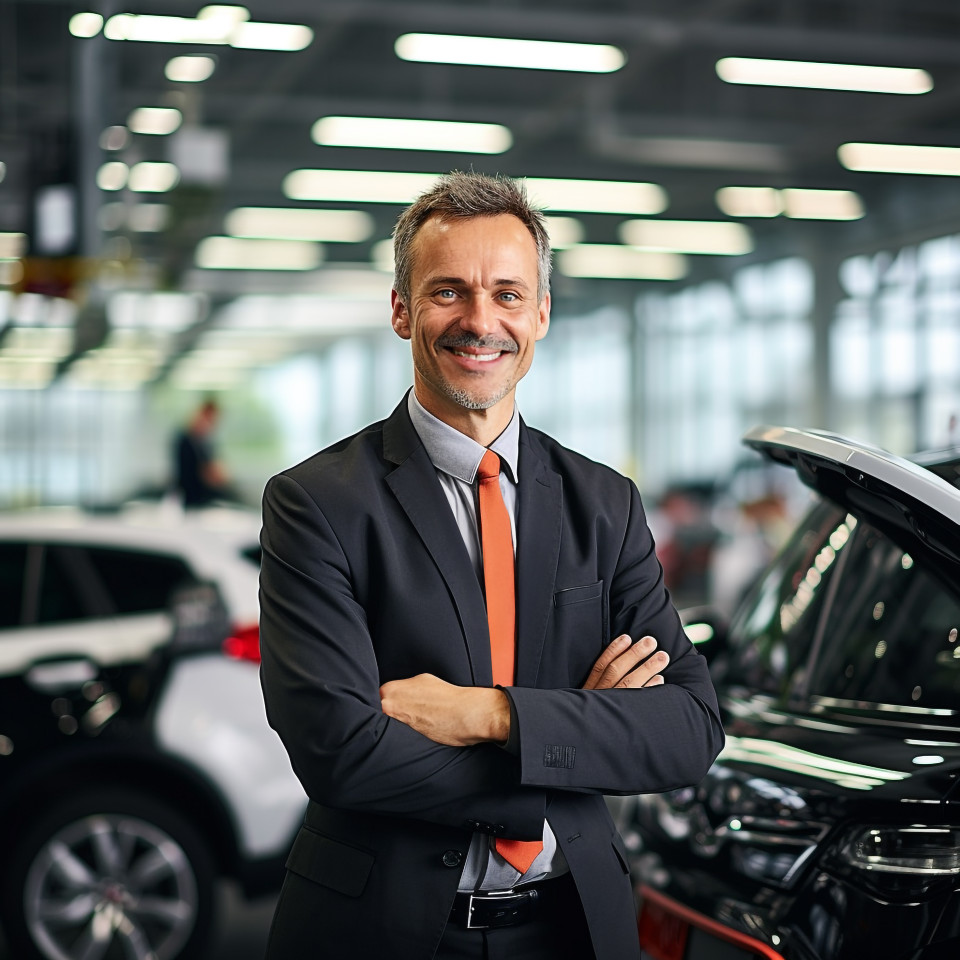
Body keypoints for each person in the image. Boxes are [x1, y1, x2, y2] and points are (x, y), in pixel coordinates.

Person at [258, 172, 724, 960]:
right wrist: (577, 734)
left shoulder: (604, 504)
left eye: (508, 294)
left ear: (540, 312)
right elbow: (342, 752)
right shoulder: (318, 504)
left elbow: (689, 728)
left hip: (573, 929)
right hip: (382, 933)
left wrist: (492, 717)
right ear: (401, 309)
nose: (481, 322)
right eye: (449, 292)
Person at [172, 398, 233, 507]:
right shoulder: (186, 441)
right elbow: (203, 473)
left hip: (205, 497)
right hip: (193, 498)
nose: (211, 424)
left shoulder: (204, 441)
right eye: (210, 419)